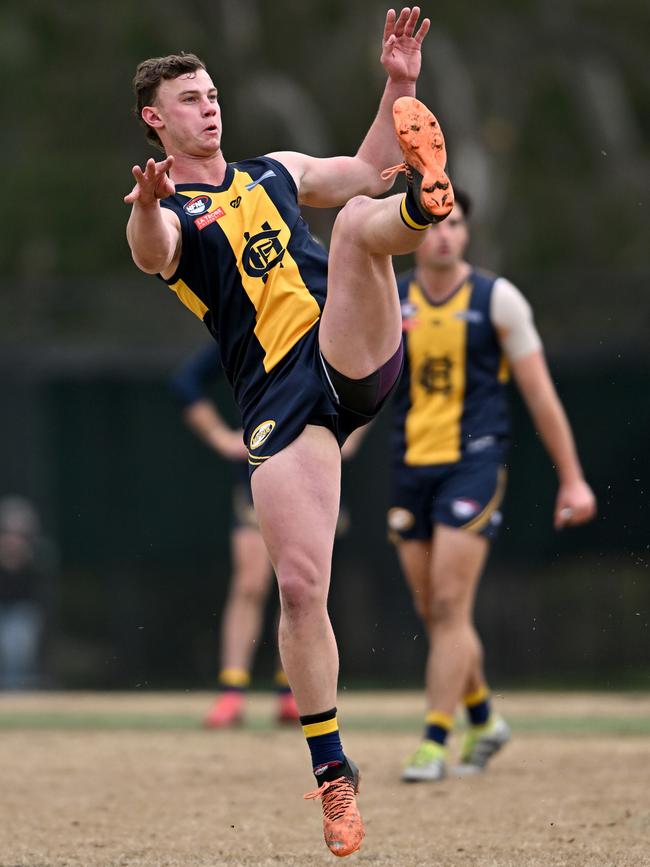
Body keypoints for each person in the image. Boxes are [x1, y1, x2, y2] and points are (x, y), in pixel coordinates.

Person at [125, 7, 454, 856]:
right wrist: (149, 206)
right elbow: (150, 248)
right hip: (280, 403)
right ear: (155, 118)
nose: (210, 107)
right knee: (301, 588)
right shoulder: (171, 210)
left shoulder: (269, 172)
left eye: (213, 93)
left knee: (356, 220)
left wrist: (399, 86)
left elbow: (364, 166)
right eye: (190, 99)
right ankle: (333, 775)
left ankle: (425, 212)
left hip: (349, 347)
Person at [387, 189, 597, 783]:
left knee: (452, 605)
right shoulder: (391, 296)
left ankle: (434, 739)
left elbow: (540, 396)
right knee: (433, 609)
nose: (445, 234)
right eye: (434, 223)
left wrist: (573, 481)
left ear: (468, 232)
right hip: (409, 466)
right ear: (414, 227)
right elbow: (362, 381)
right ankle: (484, 718)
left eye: (455, 224)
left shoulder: (497, 300)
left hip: (474, 464)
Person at [170, 343, 300, 727]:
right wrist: (219, 437)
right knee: (251, 583)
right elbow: (185, 382)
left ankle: (293, 692)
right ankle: (232, 691)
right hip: (259, 463)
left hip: (311, 461)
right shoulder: (248, 327)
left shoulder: (320, 317)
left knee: (299, 585)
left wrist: (351, 436)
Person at [0, 496, 52, 690]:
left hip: (22, 610)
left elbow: (40, 580)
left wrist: (21, 557)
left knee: (18, 652)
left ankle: (17, 695)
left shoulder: (37, 553)